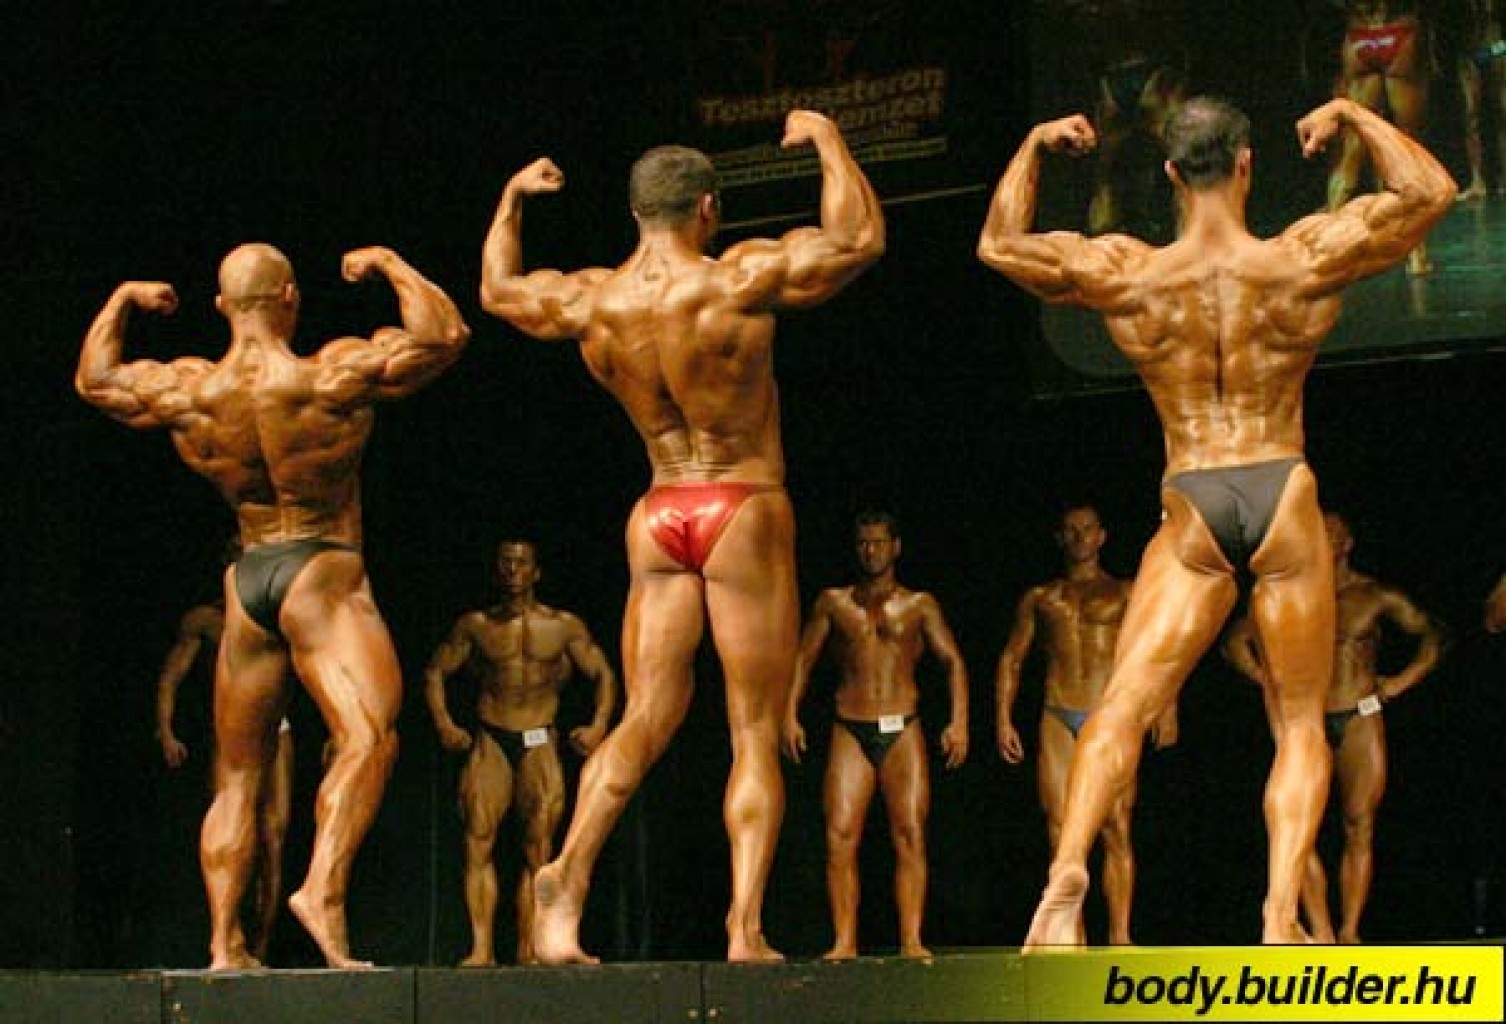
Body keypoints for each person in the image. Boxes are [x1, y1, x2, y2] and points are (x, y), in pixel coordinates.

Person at [977, 95, 1454, 946]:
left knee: (1122, 706)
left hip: (1194, 493)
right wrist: (1353, 114)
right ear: (1246, 164)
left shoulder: (1131, 272)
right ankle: (1278, 913)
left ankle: (1066, 874)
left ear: (1168, 173)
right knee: (1299, 723)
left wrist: (1034, 143)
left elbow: (999, 245)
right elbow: (1430, 193)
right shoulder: (1301, 257)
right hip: (1282, 487)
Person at [480, 109, 884, 963]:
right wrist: (825, 140)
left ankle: (569, 875)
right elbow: (857, 240)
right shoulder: (736, 278)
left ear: (635, 214)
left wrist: (512, 200)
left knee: (645, 715)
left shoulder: (594, 298)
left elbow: (500, 290)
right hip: (743, 503)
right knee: (753, 726)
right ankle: (745, 927)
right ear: (708, 209)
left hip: (659, 512)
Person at [76, 243, 470, 969]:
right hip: (322, 570)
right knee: (368, 738)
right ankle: (321, 891)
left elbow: (96, 381)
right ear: (290, 297)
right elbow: (443, 335)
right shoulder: (327, 376)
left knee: (237, 774)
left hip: (247, 579)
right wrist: (389, 265)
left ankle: (224, 945)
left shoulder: (192, 392)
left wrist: (122, 300)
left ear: (221, 306)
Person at [1224, 511, 1444, 943]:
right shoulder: (1290, 594)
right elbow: (1236, 641)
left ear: (1347, 543)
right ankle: (1321, 928)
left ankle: (1350, 930)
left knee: (1359, 823)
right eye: (1316, 532)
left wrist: (1398, 684)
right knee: (1297, 830)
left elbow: (1434, 635)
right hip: (1306, 722)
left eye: (1332, 534)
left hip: (1359, 714)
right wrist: (1269, 680)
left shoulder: (1373, 595)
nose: (1322, 540)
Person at [782, 511, 969, 960]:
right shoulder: (834, 603)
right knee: (840, 835)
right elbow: (803, 659)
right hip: (851, 725)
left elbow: (952, 661)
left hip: (903, 725)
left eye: (879, 542)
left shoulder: (919, 604)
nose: (871, 551)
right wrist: (788, 713)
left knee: (910, 833)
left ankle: (912, 940)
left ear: (895, 547)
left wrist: (959, 721)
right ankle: (844, 941)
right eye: (864, 542)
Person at [424, 538, 617, 966]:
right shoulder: (476, 625)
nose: (513, 569)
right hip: (492, 737)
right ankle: (481, 949)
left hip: (539, 739)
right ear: (497, 570)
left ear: (536, 571)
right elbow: (436, 671)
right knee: (477, 843)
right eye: (506, 562)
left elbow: (603, 673)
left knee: (539, 849)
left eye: (522, 562)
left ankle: (530, 948)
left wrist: (599, 726)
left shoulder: (563, 626)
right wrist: (444, 724)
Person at [994, 503, 1174, 945]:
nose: (1079, 537)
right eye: (1071, 530)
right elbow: (1012, 659)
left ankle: (1120, 936)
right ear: (1060, 538)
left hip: (1110, 716)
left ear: (1101, 536)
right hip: (1058, 713)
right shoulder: (1041, 598)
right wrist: (1003, 719)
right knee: (1059, 828)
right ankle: (1069, 935)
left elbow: (1157, 649)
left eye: (1087, 529)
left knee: (1116, 826)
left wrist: (1167, 705)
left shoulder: (1125, 592)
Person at [154, 541, 294, 965]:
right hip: (233, 729)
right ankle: (228, 935)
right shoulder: (206, 620)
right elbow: (171, 678)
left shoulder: (282, 614)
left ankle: (261, 947)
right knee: (233, 818)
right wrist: (166, 730)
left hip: (277, 727)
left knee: (273, 837)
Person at [1329, 1, 1436, 274]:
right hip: (1399, 31)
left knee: (1352, 148)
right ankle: (1417, 256)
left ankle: (1327, 250)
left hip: (1360, 33)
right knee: (1409, 147)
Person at [1456, 0, 1506, 200]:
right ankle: (1477, 180)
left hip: (1498, 48)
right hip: (1469, 52)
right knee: (1470, 117)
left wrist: (1496, 50)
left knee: (1503, 113)